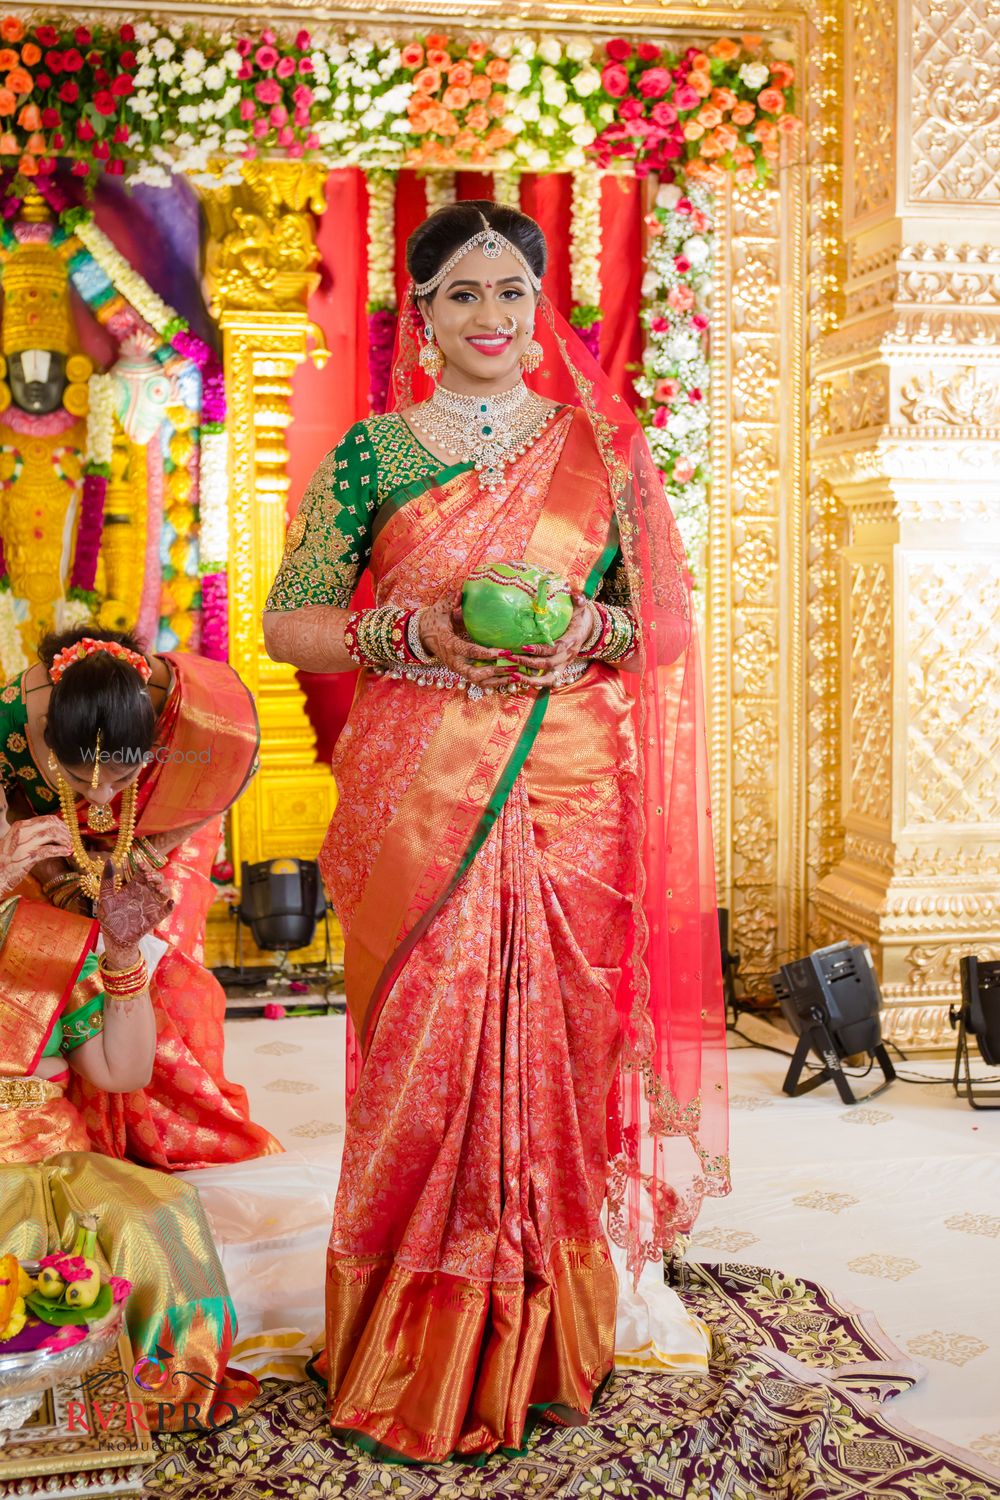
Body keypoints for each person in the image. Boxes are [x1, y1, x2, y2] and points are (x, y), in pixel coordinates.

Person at [263, 201, 728, 1462]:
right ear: (420, 315)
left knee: (562, 1053)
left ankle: (547, 1342)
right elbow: (288, 621)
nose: (489, 318)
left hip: (570, 789)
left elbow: (665, 627)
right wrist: (407, 637)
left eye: (511, 292)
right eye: (461, 295)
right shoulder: (370, 454)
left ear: (539, 307)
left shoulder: (600, 450)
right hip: (419, 795)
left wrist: (591, 633)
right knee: (423, 1051)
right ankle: (403, 1348)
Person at [0, 803, 256, 1429]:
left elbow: (121, 1072)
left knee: (157, 1213)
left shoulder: (48, 934)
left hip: (56, 1155)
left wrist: (119, 954)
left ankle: (154, 1393)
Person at [0, 628, 279, 1171]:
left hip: (171, 826)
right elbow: (19, 810)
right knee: (65, 959)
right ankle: (90, 1115)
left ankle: (173, 1129)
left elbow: (227, 782)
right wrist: (59, 884)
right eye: (82, 777)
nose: (102, 796)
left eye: (121, 776)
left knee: (168, 973)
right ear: (47, 735)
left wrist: (148, 860)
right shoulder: (11, 721)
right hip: (55, 838)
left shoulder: (197, 715)